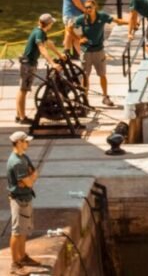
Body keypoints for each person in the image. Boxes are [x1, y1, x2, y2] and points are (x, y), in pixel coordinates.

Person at [74, 0, 128, 107]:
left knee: (102, 74)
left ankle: (105, 97)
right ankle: (84, 98)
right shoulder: (81, 19)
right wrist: (80, 37)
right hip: (86, 51)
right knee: (85, 76)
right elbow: (71, 28)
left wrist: (130, 22)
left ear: (95, 7)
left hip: (99, 50)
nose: (88, 9)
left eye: (90, 7)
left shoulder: (102, 16)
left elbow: (116, 21)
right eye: (86, 7)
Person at [16, 14, 63, 125]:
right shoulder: (39, 33)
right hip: (28, 64)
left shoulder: (40, 31)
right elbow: (42, 49)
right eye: (51, 23)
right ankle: (22, 117)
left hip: (30, 63)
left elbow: (49, 44)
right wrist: (52, 64)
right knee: (23, 90)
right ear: (49, 24)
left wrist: (59, 54)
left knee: (23, 90)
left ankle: (19, 116)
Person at [7, 130, 40, 274]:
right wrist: (30, 179)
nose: (28, 143)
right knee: (17, 232)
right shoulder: (18, 162)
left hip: (26, 198)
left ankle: (23, 256)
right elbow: (29, 181)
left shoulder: (23, 157)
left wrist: (29, 179)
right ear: (19, 143)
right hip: (19, 201)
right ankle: (15, 264)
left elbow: (34, 173)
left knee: (23, 229)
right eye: (26, 141)